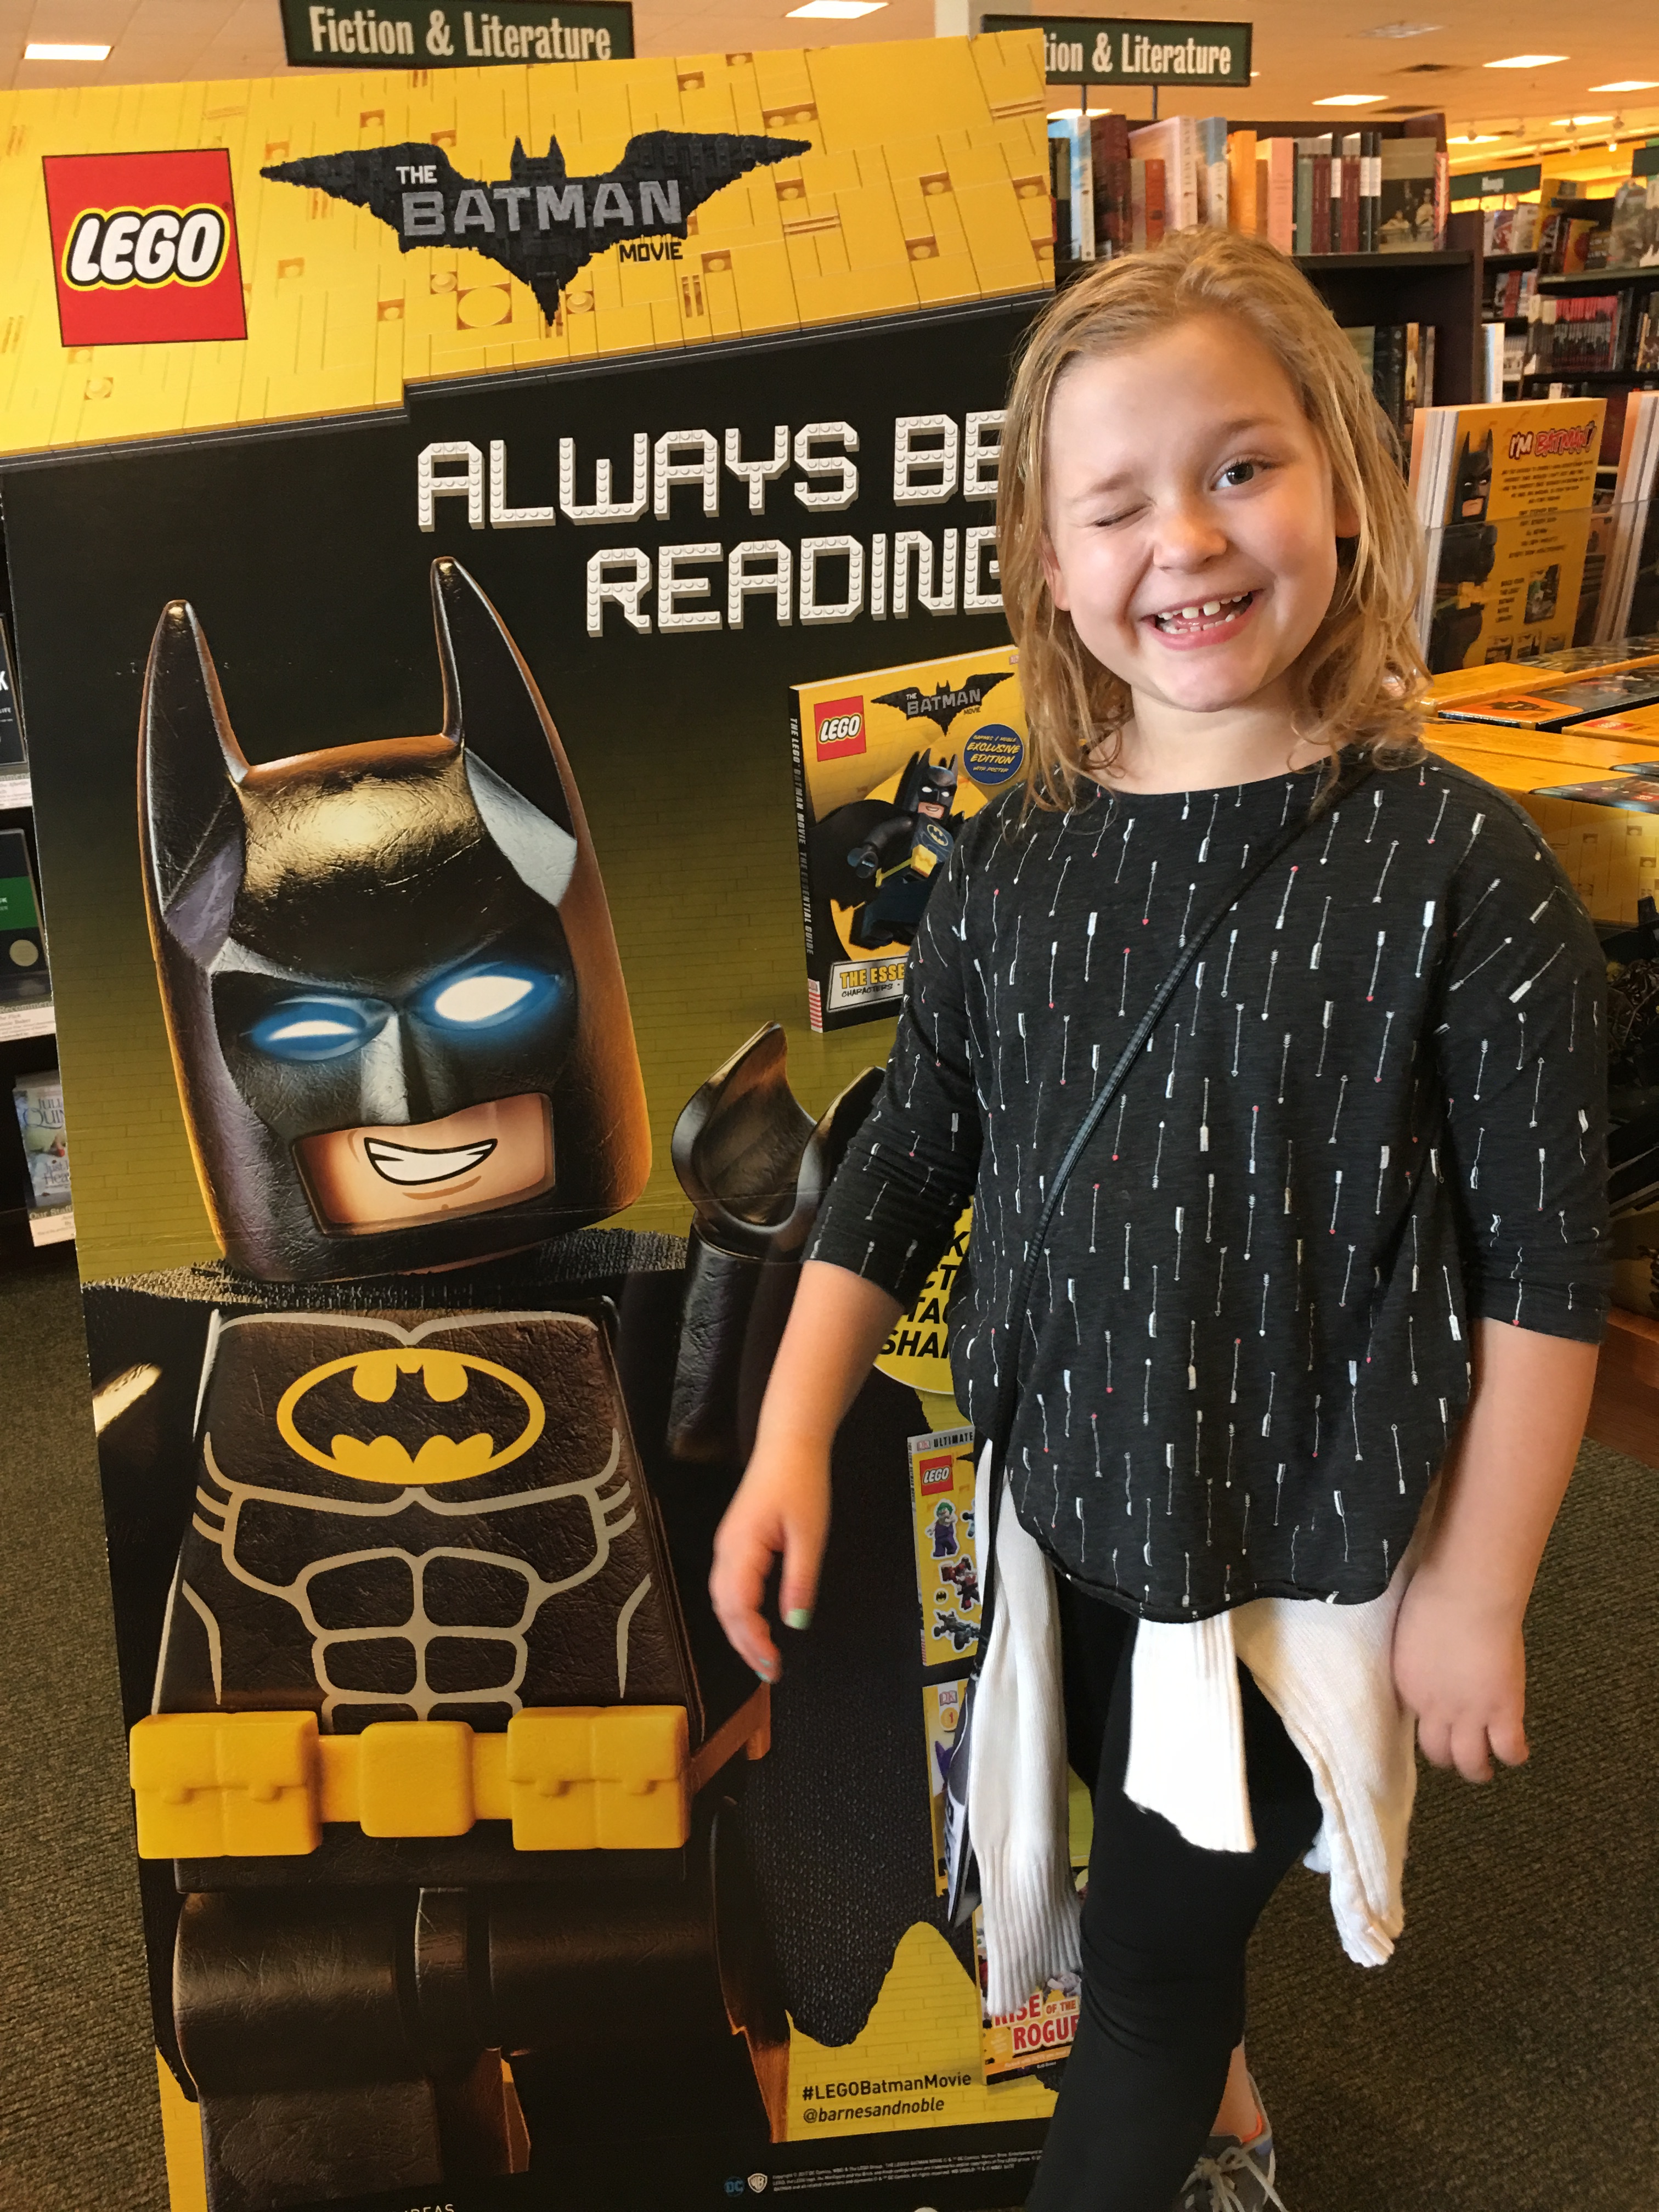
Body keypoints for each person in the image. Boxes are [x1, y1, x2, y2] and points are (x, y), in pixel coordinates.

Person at [709, 230, 1610, 2211]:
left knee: (1143, 1971)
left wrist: (1478, 1590)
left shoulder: (1463, 871)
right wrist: (786, 1439)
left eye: (1239, 468)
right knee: (1128, 1830)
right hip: (1073, 1509)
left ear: (1342, 484)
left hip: (1305, 1546)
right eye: (1113, 503)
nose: (1183, 541)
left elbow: (1549, 1271)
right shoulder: (1014, 853)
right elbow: (909, 1155)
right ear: (1047, 560)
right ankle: (1237, 2121)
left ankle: (1174, 2123)